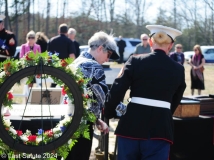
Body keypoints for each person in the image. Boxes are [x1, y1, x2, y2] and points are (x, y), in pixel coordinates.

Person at [104, 25, 186, 160]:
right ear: (171, 45)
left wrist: (109, 112)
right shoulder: (178, 69)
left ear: (151, 42)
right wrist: (164, 114)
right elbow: (176, 98)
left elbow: (117, 89)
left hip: (131, 126)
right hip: (160, 129)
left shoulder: (135, 61)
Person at [65, 31, 119, 160]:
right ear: (100, 48)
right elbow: (105, 98)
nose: (107, 59)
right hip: (82, 125)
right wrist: (128, 110)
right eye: (109, 54)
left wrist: (96, 119)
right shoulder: (93, 66)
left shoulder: (76, 62)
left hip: (69, 121)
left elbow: (83, 99)